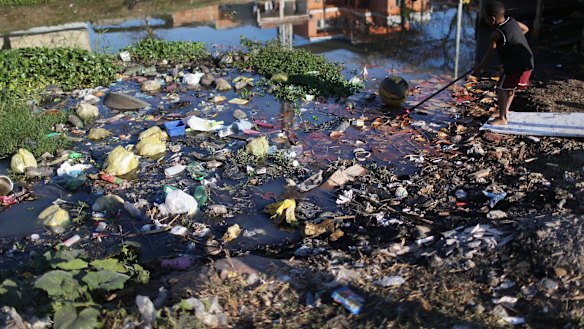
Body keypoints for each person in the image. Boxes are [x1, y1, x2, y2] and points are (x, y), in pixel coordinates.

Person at [474, 1, 534, 125]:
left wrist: (479, 67)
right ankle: (504, 111)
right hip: (527, 63)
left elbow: (490, 53)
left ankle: (503, 118)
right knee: (510, 87)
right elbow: (525, 29)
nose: (485, 21)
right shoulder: (512, 21)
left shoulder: (497, 33)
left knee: (501, 88)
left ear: (492, 19)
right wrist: (510, 43)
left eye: (485, 18)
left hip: (515, 66)